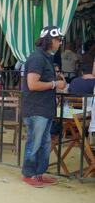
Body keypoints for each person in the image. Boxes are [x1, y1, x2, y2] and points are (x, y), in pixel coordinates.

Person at [21, 26, 66, 187]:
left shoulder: (46, 58)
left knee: (44, 143)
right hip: (36, 108)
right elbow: (32, 84)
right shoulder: (37, 58)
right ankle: (29, 174)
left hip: (44, 108)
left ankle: (39, 174)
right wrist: (54, 83)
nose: (59, 42)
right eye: (57, 39)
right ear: (49, 40)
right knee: (35, 142)